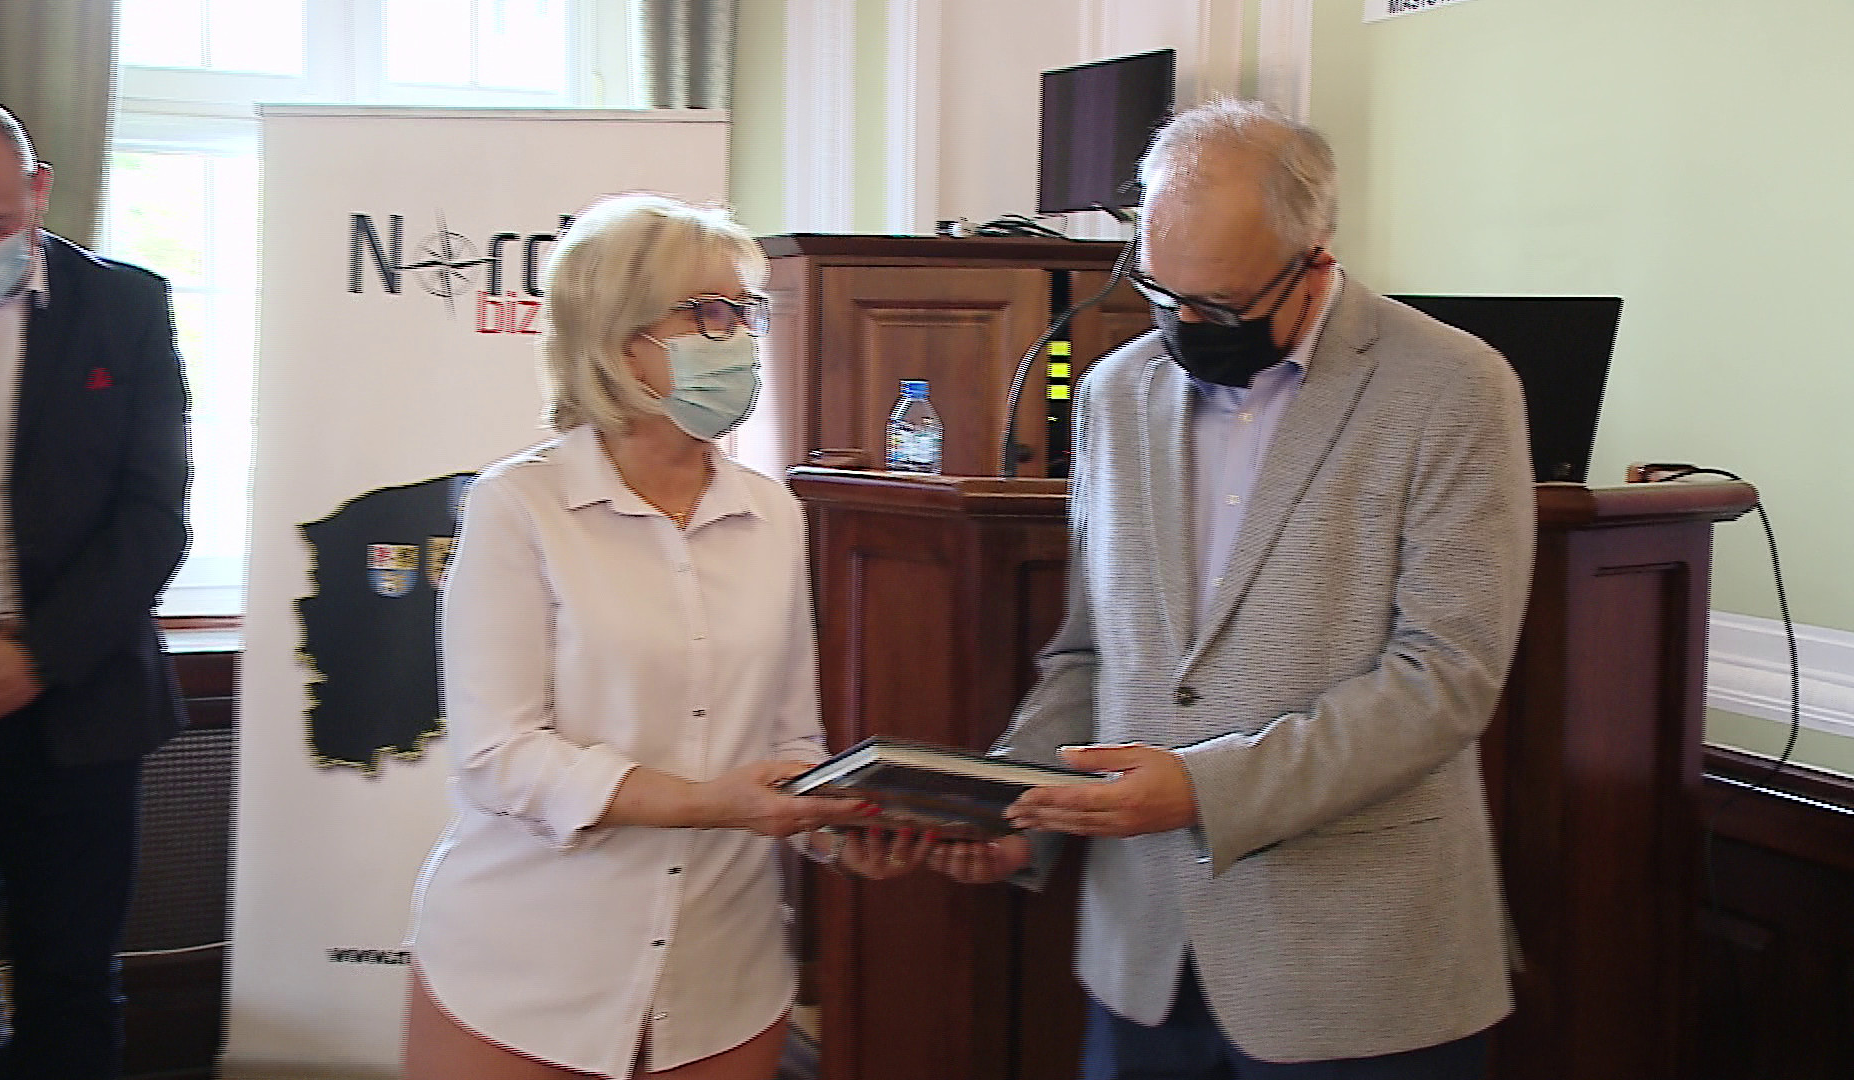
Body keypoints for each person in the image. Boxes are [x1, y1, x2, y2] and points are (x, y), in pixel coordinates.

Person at [930, 99, 1536, 1078]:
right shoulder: (1115, 393)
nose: (1181, 325)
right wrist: (1019, 806)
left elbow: (1445, 678)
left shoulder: (1454, 387)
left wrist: (1206, 790)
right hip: (1142, 960)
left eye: (1215, 306)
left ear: (1315, 260)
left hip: (1355, 971)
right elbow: (1094, 652)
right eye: (1158, 293)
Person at [402, 194, 920, 1080]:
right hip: (522, 975)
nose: (739, 338)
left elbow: (790, 743)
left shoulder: (773, 514)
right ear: (618, 339)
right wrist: (710, 801)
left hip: (723, 979)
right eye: (708, 313)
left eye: (746, 312)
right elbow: (498, 758)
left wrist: (832, 828)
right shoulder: (518, 505)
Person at [0, 92, 192, 1079]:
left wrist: (36, 657)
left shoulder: (126, 308)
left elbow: (153, 515)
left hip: (84, 704)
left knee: (72, 982)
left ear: (39, 190)